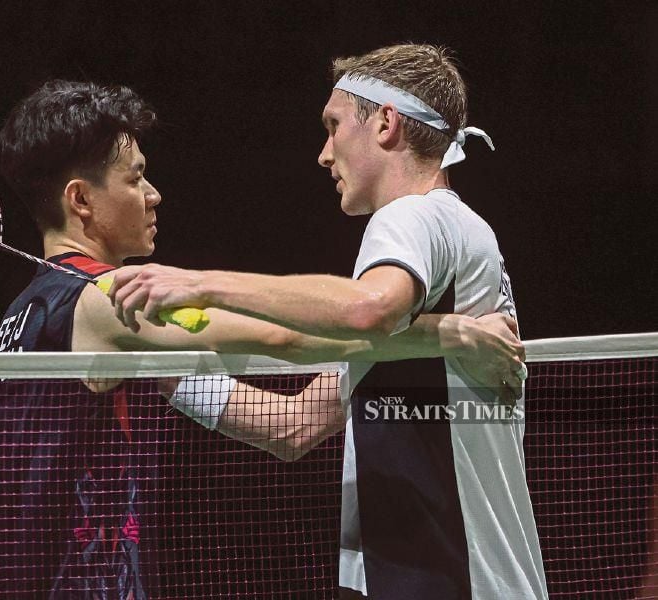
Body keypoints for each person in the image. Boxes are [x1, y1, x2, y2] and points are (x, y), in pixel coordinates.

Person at [0, 78, 527, 599]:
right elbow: (289, 334)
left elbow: (288, 426)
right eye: (136, 178)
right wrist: (445, 331)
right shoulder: (112, 305)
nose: (154, 194)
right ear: (81, 200)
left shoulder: (20, 324)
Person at [108, 44, 548, 600]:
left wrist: (200, 283)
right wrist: (163, 368)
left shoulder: (412, 217)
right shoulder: (457, 243)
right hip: (452, 577)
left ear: (386, 124)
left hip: (446, 577)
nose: (324, 153)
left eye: (334, 126)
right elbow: (292, 426)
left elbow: (367, 310)